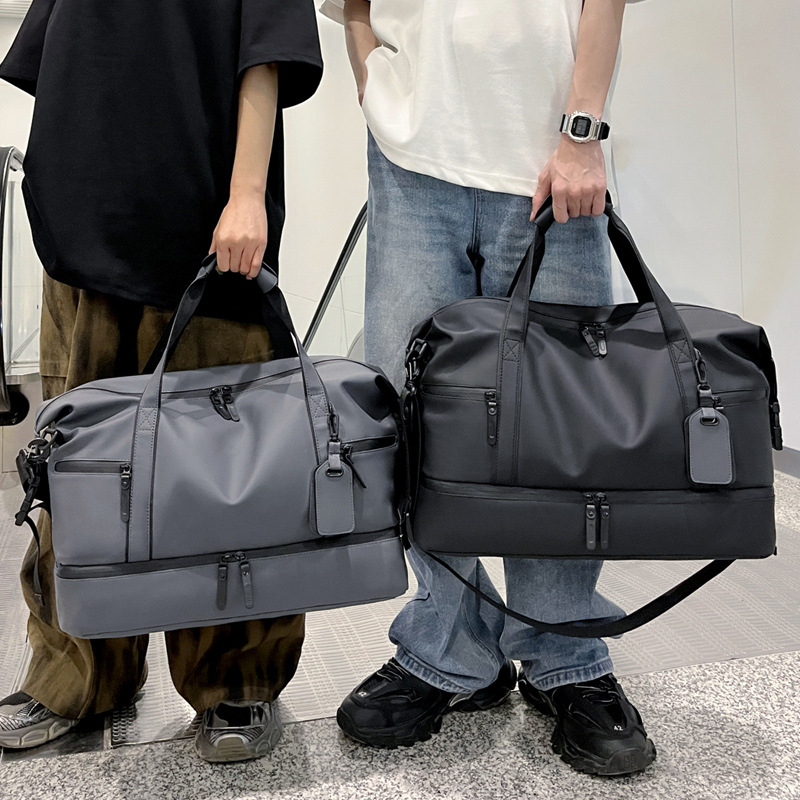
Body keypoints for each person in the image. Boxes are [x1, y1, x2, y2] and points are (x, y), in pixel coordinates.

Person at [323, 0, 656, 777]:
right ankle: (450, 646)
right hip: (410, 167)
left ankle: (565, 652)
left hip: (550, 156)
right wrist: (374, 85)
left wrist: (582, 132)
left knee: (563, 423)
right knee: (414, 422)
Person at [0, 0, 322, 763]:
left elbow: (266, 52)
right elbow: (60, 53)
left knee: (226, 478)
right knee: (78, 474)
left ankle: (235, 678)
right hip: (83, 223)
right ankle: (77, 675)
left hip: (208, 225)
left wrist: (247, 194)